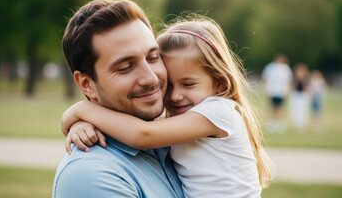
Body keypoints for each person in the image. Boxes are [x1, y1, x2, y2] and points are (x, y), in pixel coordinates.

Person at [62, 15, 273, 197]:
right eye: (170, 85)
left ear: (219, 83)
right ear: (86, 84)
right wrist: (81, 124)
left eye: (188, 84)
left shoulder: (219, 111)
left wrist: (81, 111)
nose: (175, 95)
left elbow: (142, 134)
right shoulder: (90, 173)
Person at [52, 0, 184, 198]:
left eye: (153, 57)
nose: (150, 78)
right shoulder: (90, 175)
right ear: (87, 84)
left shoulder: (175, 143)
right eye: (125, 67)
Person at [262, 54, 292, 133]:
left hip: (281, 92)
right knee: (273, 108)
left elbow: (289, 80)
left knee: (280, 108)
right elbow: (265, 78)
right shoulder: (270, 67)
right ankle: (272, 123)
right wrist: (266, 88)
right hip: (272, 91)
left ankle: (279, 124)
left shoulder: (285, 69)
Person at [289, 63, 310, 131]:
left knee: (303, 110)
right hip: (296, 94)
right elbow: (292, 86)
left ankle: (302, 124)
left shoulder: (306, 78)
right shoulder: (294, 78)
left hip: (303, 95)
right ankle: (296, 124)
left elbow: (307, 88)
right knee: (295, 110)